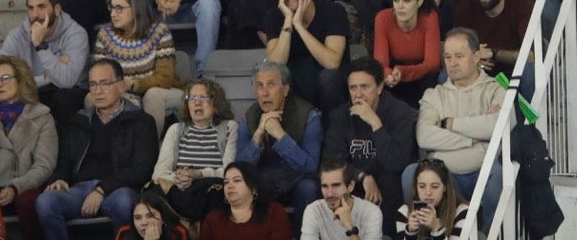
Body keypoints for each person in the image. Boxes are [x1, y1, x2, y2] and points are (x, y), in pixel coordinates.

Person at [31, 58, 157, 240]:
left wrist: (101, 190)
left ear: (121, 86)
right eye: (93, 85)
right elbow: (64, 160)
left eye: (105, 84)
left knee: (124, 203)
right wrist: (60, 177)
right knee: (46, 202)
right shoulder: (79, 120)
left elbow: (141, 169)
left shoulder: (141, 121)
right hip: (80, 188)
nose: (97, 91)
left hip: (118, 188)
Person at [413, 27, 506, 229]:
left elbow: (497, 128)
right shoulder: (434, 94)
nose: (452, 64)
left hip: (482, 171)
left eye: (459, 56)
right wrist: (473, 138)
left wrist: (450, 123)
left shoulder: (496, 89)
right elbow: (424, 136)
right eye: (447, 57)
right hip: (444, 176)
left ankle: (489, 234)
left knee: (500, 175)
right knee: (410, 174)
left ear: (476, 56)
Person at [321, 60, 416, 236]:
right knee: (332, 185)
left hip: (388, 183)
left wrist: (375, 123)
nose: (358, 94)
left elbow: (396, 162)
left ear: (379, 87)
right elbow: (332, 161)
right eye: (353, 88)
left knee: (390, 180)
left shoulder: (400, 112)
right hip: (354, 181)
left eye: (365, 87)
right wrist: (362, 176)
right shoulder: (340, 115)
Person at [0, 56, 56, 217]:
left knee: (27, 202)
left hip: (25, 188)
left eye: (6, 78)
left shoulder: (42, 117)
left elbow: (44, 165)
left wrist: (15, 188)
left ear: (21, 80)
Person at [233, 59, 323, 216]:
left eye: (270, 84)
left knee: (308, 187)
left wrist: (280, 136)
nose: (264, 92)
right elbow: (240, 169)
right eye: (259, 85)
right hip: (266, 181)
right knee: (257, 184)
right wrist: (257, 136)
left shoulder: (309, 116)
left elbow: (310, 167)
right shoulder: (249, 118)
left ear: (286, 89)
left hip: (297, 179)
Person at [91, 0, 183, 129]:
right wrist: (119, 90)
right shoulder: (105, 35)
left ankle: (149, 148)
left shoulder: (159, 32)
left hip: (163, 92)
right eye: (111, 8)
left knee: (153, 96)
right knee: (92, 97)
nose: (113, 14)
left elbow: (165, 79)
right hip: (122, 92)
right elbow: (98, 76)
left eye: (119, 8)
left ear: (136, 9)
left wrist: (133, 84)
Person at [262, 0, 348, 108]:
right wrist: (288, 21)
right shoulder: (275, 16)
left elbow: (332, 63)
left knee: (329, 77)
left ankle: (332, 128)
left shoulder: (334, 12)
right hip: (295, 89)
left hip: (331, 89)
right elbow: (275, 66)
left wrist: (299, 26)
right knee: (278, 80)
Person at [1, 0, 88, 123]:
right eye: (31, 8)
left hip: (69, 94)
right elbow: (3, 79)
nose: (35, 15)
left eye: (41, 7)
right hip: (33, 90)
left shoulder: (76, 34)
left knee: (63, 98)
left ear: (57, 8)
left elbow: (67, 81)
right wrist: (46, 79)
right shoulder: (17, 36)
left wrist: (40, 45)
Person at [151, 79, 236, 223]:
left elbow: (229, 171)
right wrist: (179, 178)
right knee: (152, 192)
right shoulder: (175, 130)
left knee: (215, 192)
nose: (197, 103)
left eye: (203, 98)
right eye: (192, 98)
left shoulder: (229, 127)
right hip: (180, 189)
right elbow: (158, 173)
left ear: (216, 103)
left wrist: (198, 174)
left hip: (210, 190)